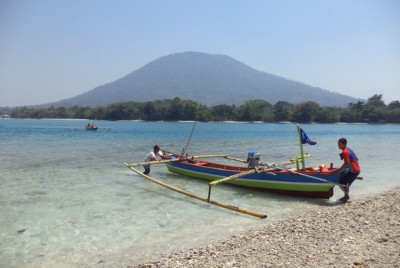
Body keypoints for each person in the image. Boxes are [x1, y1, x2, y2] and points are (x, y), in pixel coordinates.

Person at [333, 138, 360, 202]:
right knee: (342, 175)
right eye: (338, 144)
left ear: (345, 144)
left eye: (340, 145)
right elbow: (356, 159)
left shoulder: (345, 152)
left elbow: (346, 163)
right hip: (356, 169)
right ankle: (346, 195)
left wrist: (337, 170)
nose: (339, 146)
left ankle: (346, 197)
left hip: (354, 171)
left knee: (342, 182)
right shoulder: (349, 149)